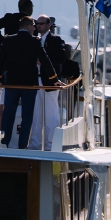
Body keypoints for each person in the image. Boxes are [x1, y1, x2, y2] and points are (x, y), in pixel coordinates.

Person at [0, 16, 60, 148]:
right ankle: (22, 145)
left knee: (9, 113)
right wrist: (54, 79)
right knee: (27, 115)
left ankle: (4, 143)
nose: (35, 28)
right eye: (34, 26)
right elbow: (45, 60)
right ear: (29, 26)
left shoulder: (9, 40)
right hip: (30, 85)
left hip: (12, 83)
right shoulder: (34, 41)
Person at [29, 15, 68, 151]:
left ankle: (51, 144)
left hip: (50, 81)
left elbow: (61, 59)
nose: (38, 26)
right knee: (36, 115)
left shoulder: (56, 40)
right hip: (36, 80)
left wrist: (45, 61)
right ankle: (35, 144)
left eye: (41, 23)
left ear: (48, 24)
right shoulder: (33, 40)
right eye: (36, 24)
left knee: (51, 114)